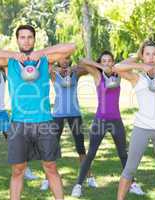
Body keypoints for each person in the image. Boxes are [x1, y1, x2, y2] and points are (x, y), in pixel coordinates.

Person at [0, 24, 76, 200]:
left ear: (34, 40)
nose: (26, 40)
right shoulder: (10, 62)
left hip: (44, 122)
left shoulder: (45, 60)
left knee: (51, 167)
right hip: (18, 123)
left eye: (29, 37)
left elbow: (71, 47)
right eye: (22, 37)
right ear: (17, 40)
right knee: (17, 170)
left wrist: (42, 52)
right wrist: (12, 54)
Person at [71, 51, 144, 197]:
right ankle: (78, 185)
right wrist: (100, 66)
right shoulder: (98, 75)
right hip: (100, 121)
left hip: (116, 120)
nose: (107, 63)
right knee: (91, 153)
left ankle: (132, 183)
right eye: (104, 60)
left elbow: (131, 60)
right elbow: (82, 60)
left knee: (123, 154)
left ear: (113, 62)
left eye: (109, 60)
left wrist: (135, 55)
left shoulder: (118, 74)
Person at [114, 40, 155, 200]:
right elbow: (117, 67)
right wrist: (139, 64)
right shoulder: (136, 78)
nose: (151, 57)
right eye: (147, 54)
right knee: (130, 169)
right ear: (142, 56)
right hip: (141, 128)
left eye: (154, 54)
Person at [40, 58, 97, 191]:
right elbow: (43, 67)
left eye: (67, 58)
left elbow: (88, 66)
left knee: (80, 147)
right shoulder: (54, 73)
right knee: (52, 148)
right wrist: (55, 68)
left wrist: (75, 68)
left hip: (74, 113)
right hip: (58, 114)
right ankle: (47, 179)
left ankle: (89, 177)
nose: (65, 61)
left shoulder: (75, 73)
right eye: (62, 58)